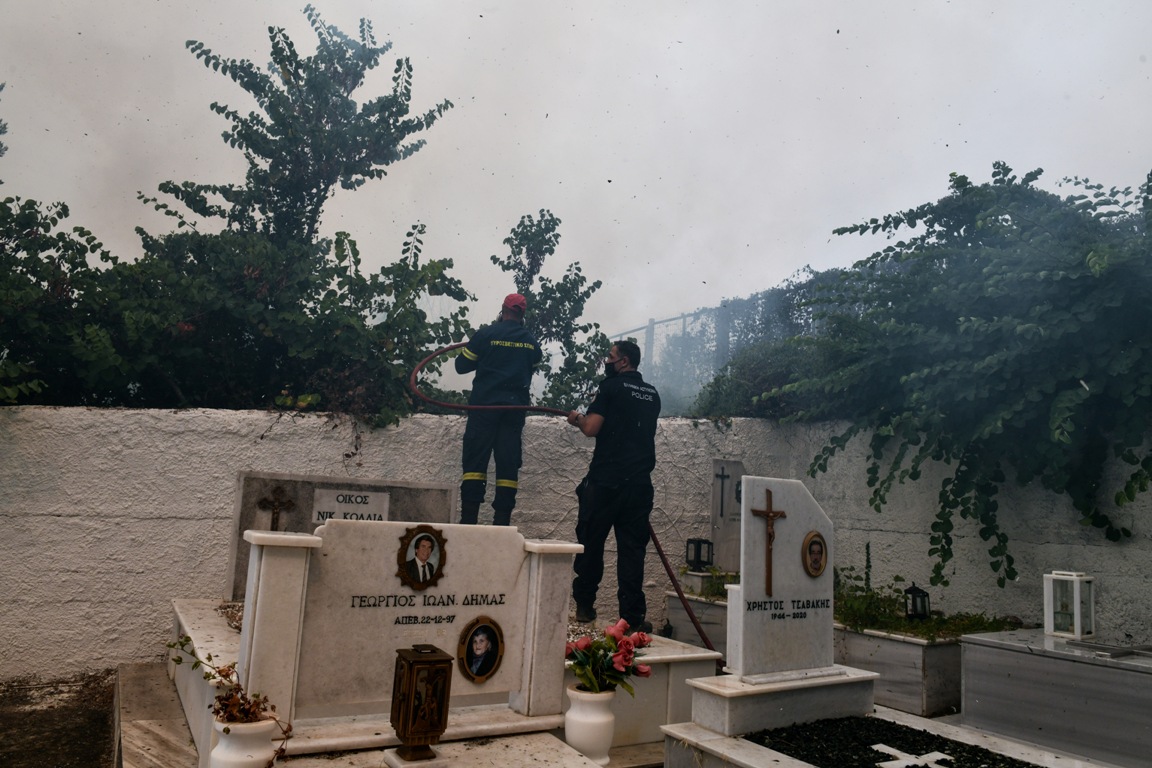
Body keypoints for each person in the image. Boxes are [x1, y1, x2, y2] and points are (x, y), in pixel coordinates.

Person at [567, 340, 661, 633]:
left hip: (606, 483)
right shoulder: (652, 394)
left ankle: (584, 607)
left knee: (591, 545)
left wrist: (577, 419)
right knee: (632, 553)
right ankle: (632, 619)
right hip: (639, 486)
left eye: (610, 357)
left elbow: (592, 428)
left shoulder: (611, 388)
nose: (606, 361)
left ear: (623, 362)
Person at [455, 293, 542, 526]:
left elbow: (461, 366)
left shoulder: (486, 335)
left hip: (484, 408)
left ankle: (469, 522)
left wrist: (485, 356)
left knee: (475, 463)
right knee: (508, 463)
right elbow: (530, 367)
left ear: (503, 309)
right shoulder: (532, 342)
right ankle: (502, 522)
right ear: (523, 315)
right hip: (513, 411)